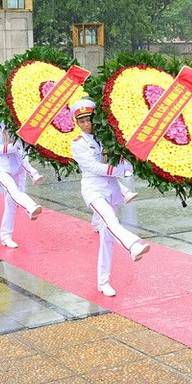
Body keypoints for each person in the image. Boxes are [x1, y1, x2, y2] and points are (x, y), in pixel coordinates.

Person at [69, 98, 150, 296]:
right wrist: (119, 171)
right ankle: (133, 245)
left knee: (107, 238)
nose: (87, 124)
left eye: (89, 119)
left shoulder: (108, 138)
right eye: (82, 121)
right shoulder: (78, 143)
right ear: (77, 123)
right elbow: (93, 167)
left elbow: (125, 161)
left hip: (112, 190)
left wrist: (125, 168)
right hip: (93, 190)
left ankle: (103, 281)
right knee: (110, 220)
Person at [0, 93, 41, 248]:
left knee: (11, 201)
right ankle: (31, 207)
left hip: (16, 164)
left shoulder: (7, 121)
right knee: (12, 190)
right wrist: (15, 146)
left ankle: (5, 236)